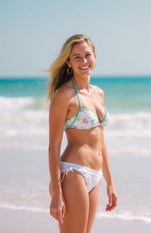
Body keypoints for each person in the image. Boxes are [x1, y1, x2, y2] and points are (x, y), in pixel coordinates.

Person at [47, 34, 117, 233]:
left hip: (96, 175)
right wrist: (57, 194)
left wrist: (110, 182)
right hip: (73, 174)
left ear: (95, 56)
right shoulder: (64, 95)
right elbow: (53, 145)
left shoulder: (98, 93)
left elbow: (101, 141)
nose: (84, 61)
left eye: (87, 55)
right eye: (76, 57)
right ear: (68, 62)